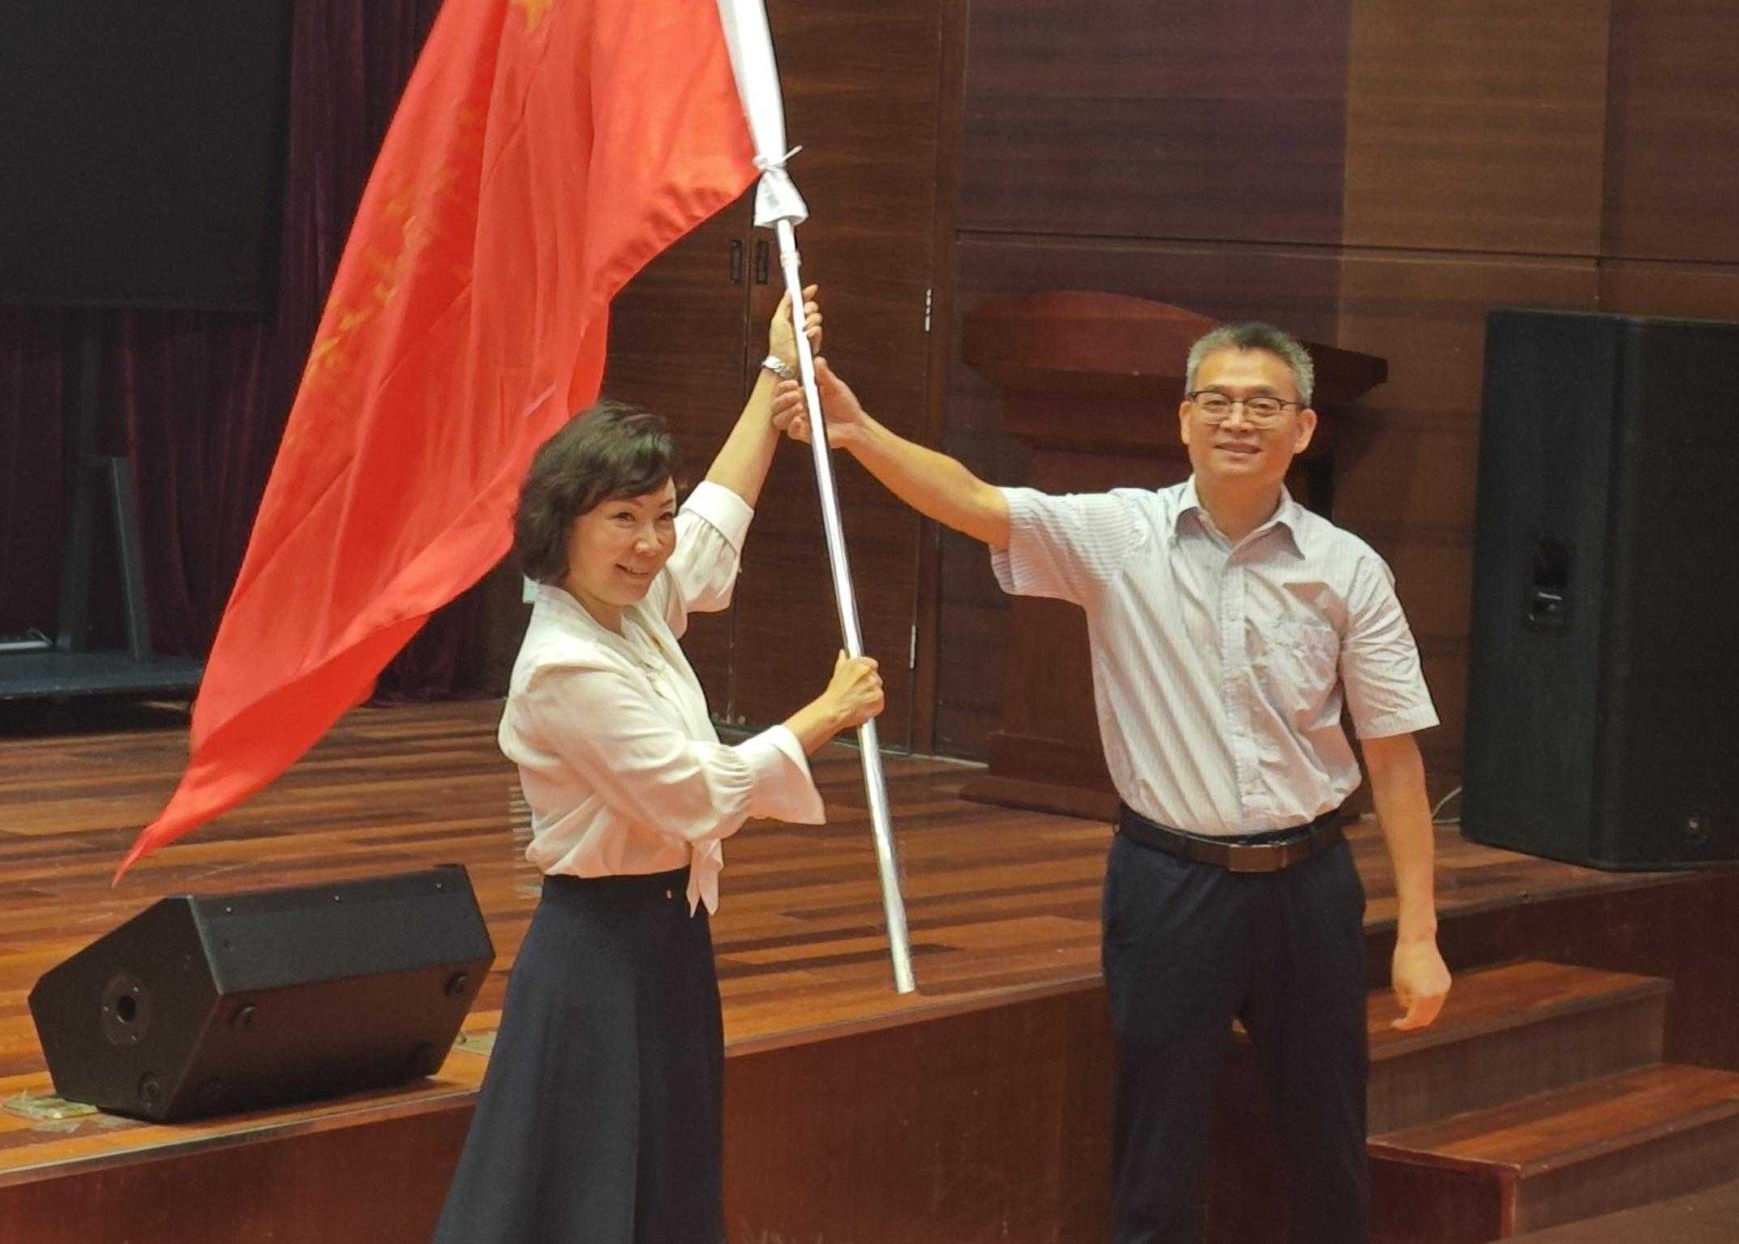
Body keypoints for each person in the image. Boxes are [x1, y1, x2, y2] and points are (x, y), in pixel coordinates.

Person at [774, 319, 1448, 1244]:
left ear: (1303, 428)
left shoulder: (1349, 570)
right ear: (1183, 419)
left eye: (1263, 404)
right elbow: (977, 502)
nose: (1237, 421)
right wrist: (856, 431)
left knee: (1328, 1150)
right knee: (1154, 1160)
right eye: (1216, 400)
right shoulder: (1121, 535)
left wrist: (1419, 935)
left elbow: (1395, 758)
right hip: (1169, 886)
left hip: (1311, 887)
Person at [430, 290, 883, 1244]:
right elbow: (697, 795)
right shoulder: (563, 666)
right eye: (623, 519)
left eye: (658, 516)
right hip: (595, 958)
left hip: (669, 938)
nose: (650, 544)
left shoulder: (626, 607)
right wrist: (827, 714)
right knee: (580, 1200)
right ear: (564, 526)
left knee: (667, 1185)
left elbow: (711, 536)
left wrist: (773, 373)